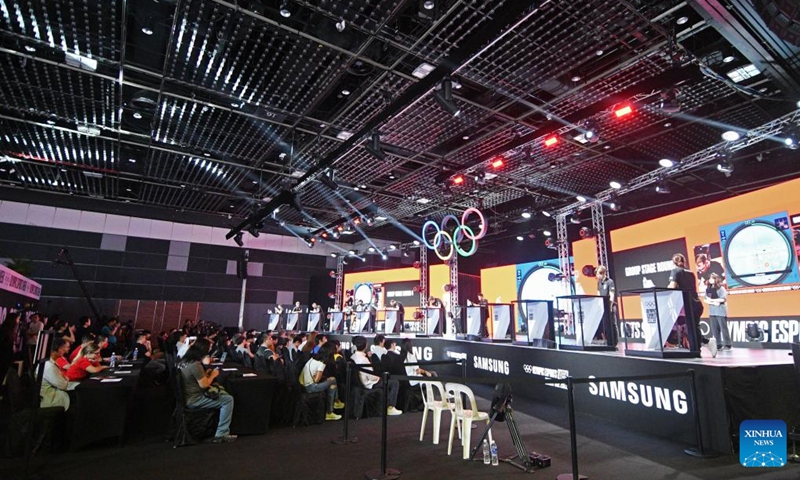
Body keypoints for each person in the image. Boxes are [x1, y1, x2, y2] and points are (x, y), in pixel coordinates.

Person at [178, 338, 237, 443]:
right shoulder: (195, 365)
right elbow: (204, 385)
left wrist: (206, 374)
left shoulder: (184, 361)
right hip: (195, 399)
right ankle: (221, 433)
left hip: (188, 396)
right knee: (228, 400)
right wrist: (213, 375)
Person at [668, 253, 715, 357]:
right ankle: (700, 349)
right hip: (696, 303)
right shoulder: (691, 273)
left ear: (674, 262)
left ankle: (704, 344)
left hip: (688, 305)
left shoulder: (675, 271)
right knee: (693, 328)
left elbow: (672, 287)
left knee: (691, 328)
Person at [351, 336, 402, 416]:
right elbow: (371, 376)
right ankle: (391, 407)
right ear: (365, 345)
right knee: (394, 383)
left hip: (362, 383)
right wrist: (379, 378)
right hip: (370, 383)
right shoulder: (364, 359)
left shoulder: (353, 357)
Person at [299, 343, 342, 421]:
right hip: (310, 387)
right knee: (333, 380)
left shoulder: (313, 358)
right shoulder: (322, 363)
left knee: (331, 383)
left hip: (302, 384)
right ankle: (332, 408)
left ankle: (333, 406)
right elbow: (316, 380)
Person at [40, 337, 74, 410]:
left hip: (55, 392)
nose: (64, 350)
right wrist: (65, 379)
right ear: (52, 351)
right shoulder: (49, 366)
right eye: (62, 348)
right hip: (51, 397)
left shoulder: (51, 362)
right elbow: (63, 385)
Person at [704, 273, 731, 351]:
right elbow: (705, 299)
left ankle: (727, 344)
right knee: (715, 328)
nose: (710, 280)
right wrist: (712, 302)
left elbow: (723, 299)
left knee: (723, 328)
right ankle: (718, 344)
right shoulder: (708, 288)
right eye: (709, 278)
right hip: (712, 311)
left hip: (720, 311)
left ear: (716, 279)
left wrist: (713, 300)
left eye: (712, 278)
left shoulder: (721, 288)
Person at [596, 265, 618, 345]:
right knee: (605, 324)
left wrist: (610, 306)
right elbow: (598, 294)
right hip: (602, 306)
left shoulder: (610, 282)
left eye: (598, 274)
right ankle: (608, 340)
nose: (597, 276)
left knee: (612, 323)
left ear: (603, 273)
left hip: (610, 305)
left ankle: (614, 342)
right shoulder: (599, 282)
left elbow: (612, 295)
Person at [0, 313, 21, 382]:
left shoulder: (10, 331)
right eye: (18, 319)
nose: (19, 321)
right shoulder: (5, 330)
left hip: (6, 360)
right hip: (3, 359)